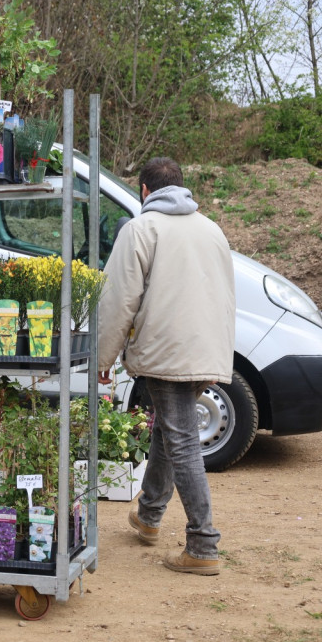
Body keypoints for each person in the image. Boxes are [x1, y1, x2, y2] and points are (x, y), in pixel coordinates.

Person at [97, 156, 234, 576]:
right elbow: (226, 298)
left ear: (144, 191)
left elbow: (120, 298)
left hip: (164, 351)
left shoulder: (141, 229)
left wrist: (103, 358)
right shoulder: (212, 229)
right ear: (182, 186)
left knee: (182, 440)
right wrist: (218, 358)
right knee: (168, 430)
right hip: (202, 350)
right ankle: (149, 515)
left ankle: (203, 545)